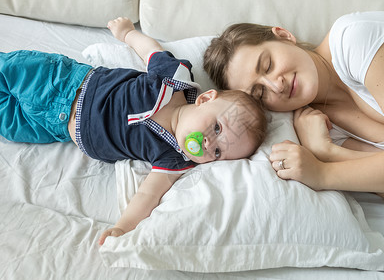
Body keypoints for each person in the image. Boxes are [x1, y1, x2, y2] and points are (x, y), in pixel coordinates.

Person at [0, 17, 267, 245]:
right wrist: (128, 33)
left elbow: (148, 194)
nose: (208, 144)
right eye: (217, 127)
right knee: (8, 70)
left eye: (219, 152)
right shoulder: (174, 80)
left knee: (8, 125)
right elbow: (151, 52)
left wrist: (124, 226)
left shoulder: (175, 159)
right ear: (205, 99)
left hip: (55, 128)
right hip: (63, 84)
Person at [203, 11, 384, 206]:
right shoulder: (318, 126)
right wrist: (327, 150)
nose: (275, 85)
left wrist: (322, 173)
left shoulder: (353, 39)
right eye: (259, 92)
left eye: (268, 65)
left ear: (284, 35)